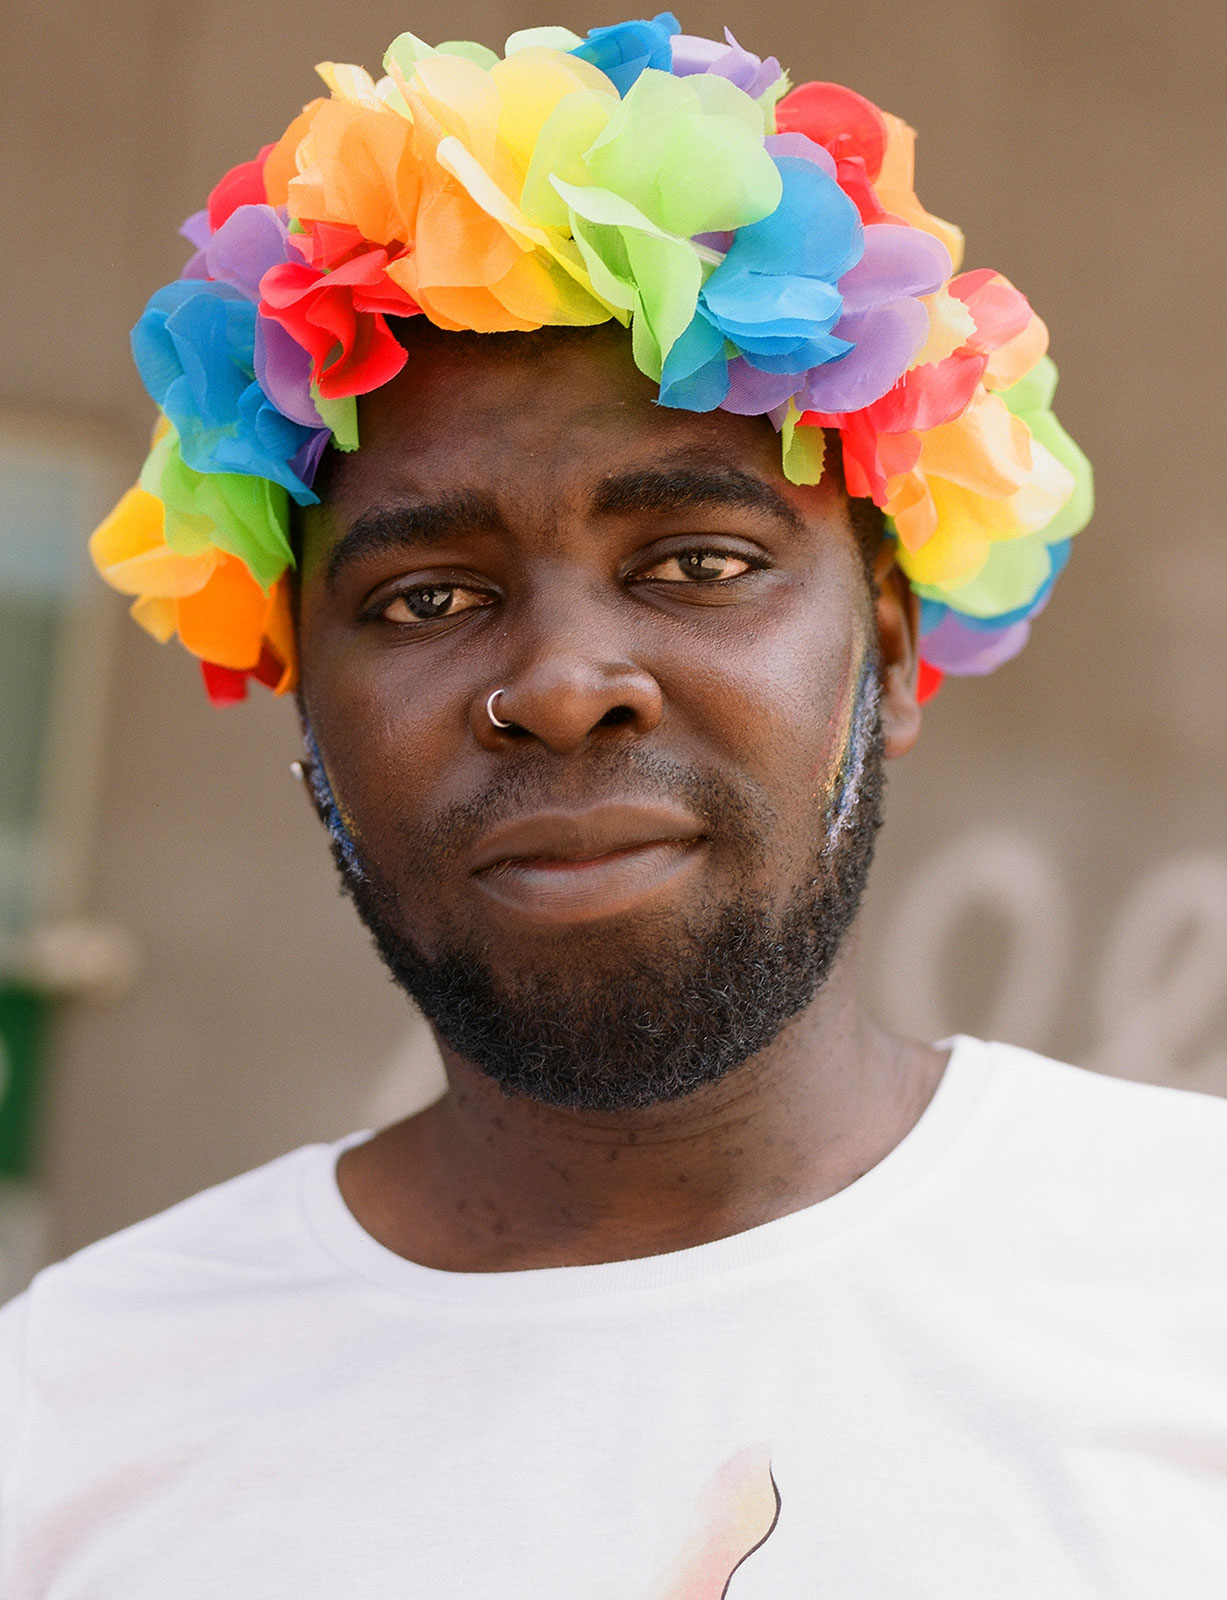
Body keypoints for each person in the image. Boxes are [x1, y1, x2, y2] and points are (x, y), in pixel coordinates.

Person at [2, 15, 1223, 1597]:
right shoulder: (64, 1425)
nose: (565, 684)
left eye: (698, 565)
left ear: (898, 659)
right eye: (430, 598)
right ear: (301, 703)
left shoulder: (1191, 1278)